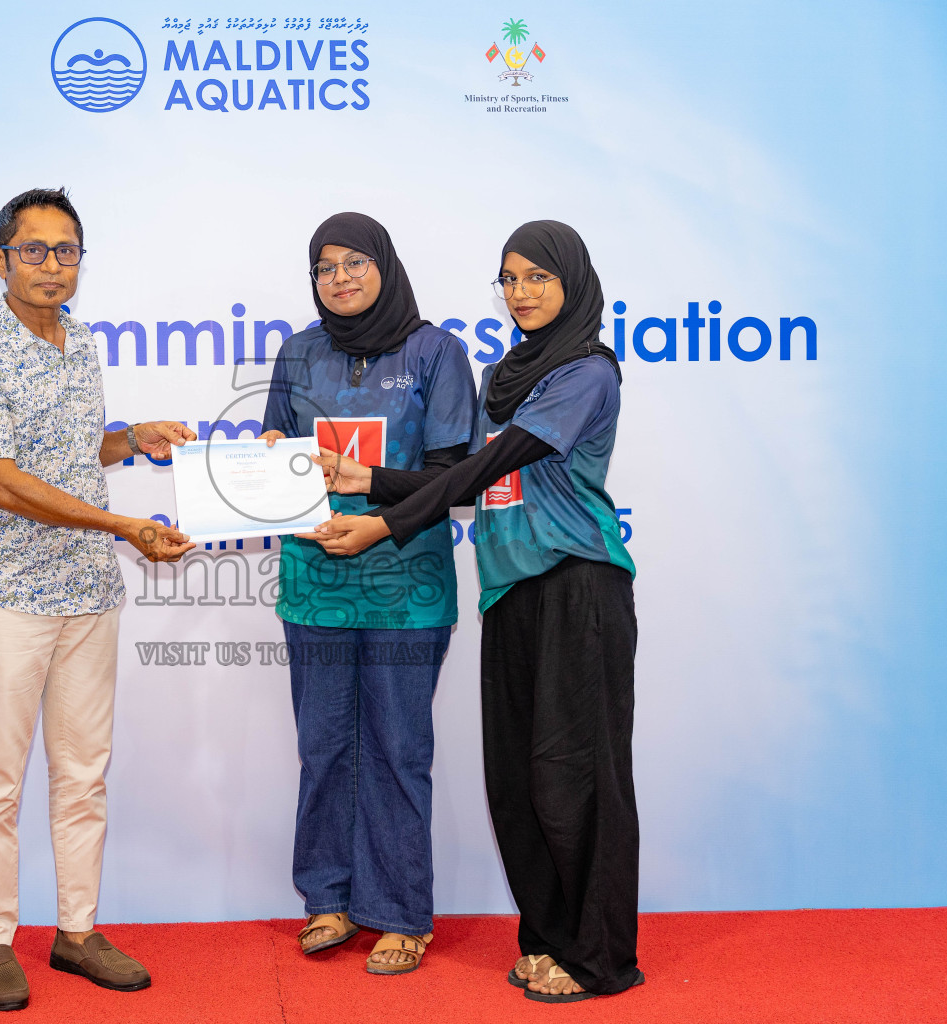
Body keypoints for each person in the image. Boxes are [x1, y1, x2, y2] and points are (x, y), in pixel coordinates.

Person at [304, 221, 643, 1002]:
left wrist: (382, 516)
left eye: (538, 279)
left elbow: (493, 461)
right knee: (521, 780)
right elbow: (465, 478)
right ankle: (548, 938)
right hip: (511, 590)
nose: (522, 294)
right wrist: (369, 480)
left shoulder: (587, 372)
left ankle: (600, 957)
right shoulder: (508, 373)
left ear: (573, 284)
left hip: (578, 585)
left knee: (578, 778)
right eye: (510, 279)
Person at [0, 187, 196, 1012]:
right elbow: (5, 485)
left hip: (88, 593)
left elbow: (72, 452)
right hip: (10, 595)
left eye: (67, 250)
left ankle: (76, 932)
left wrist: (133, 439)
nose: (53, 265)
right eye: (35, 250)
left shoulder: (78, 343)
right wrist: (124, 523)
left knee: (84, 774)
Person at [258, 212, 477, 975]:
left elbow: (458, 479)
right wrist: (255, 474)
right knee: (322, 747)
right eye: (325, 266)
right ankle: (328, 899)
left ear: (385, 265)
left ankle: (399, 912)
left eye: (355, 262)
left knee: (396, 747)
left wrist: (377, 518)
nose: (340, 278)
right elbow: (274, 457)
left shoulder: (436, 353)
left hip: (403, 586)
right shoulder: (297, 353)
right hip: (313, 583)